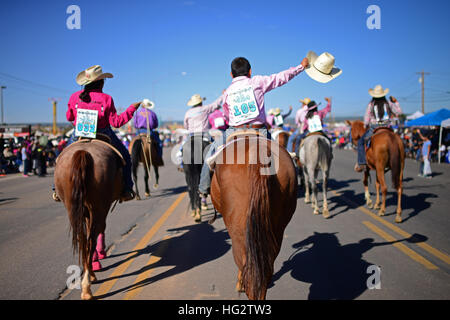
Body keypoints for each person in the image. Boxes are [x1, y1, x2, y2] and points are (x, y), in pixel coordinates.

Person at [198, 56, 309, 196]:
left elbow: (226, 115)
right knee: (282, 157)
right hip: (259, 130)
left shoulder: (227, 93)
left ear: (231, 75)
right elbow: (281, 77)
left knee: (210, 155)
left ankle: (203, 188)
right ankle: (288, 189)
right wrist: (301, 67)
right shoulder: (257, 81)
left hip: (235, 130)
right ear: (250, 71)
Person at [65, 65, 141, 201]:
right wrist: (131, 109)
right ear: (101, 82)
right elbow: (116, 122)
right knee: (126, 158)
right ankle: (127, 189)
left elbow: (69, 117)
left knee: (61, 158)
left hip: (79, 134)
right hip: (103, 134)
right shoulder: (106, 98)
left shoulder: (74, 97)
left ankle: (55, 188)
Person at [354, 85, 402, 172]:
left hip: (374, 127)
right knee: (398, 141)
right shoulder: (389, 103)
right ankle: (400, 158)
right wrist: (396, 102)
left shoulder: (371, 105)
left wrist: (365, 125)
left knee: (360, 142)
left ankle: (362, 163)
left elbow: (366, 118)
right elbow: (399, 112)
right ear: (383, 95)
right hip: (387, 126)